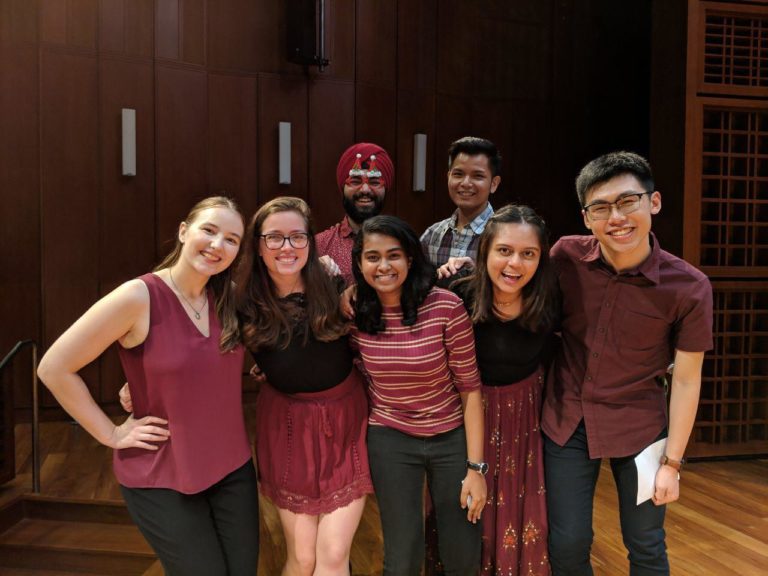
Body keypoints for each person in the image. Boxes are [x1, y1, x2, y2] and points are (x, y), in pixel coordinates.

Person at [37, 197, 260, 576]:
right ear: (184, 231)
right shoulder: (138, 296)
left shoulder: (224, 298)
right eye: (209, 230)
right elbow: (54, 367)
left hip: (232, 468)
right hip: (163, 474)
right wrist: (109, 432)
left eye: (232, 239)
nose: (218, 245)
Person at [541, 152, 713, 575]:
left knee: (646, 544)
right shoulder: (565, 257)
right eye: (601, 207)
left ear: (653, 203)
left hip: (640, 427)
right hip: (568, 421)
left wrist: (672, 463)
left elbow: (688, 380)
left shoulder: (689, 287)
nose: (616, 217)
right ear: (586, 217)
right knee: (567, 543)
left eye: (627, 202)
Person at [235, 196, 374, 576]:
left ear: (311, 243)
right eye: (274, 237)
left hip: (345, 420)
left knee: (332, 555)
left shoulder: (334, 284)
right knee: (303, 558)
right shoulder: (241, 300)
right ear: (257, 245)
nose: (287, 247)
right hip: (287, 426)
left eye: (298, 237)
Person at [349, 214, 487, 576]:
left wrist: (476, 468)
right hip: (390, 437)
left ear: (410, 259)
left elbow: (470, 389)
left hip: (450, 437)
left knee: (461, 548)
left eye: (393, 255)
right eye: (372, 257)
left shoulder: (444, 306)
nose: (383, 266)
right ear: (360, 262)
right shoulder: (355, 312)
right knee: (402, 552)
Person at [316, 142, 394, 285]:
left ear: (385, 189)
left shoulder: (402, 243)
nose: (365, 189)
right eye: (355, 181)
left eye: (375, 182)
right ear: (343, 187)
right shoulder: (318, 246)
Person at [420, 136, 501, 268]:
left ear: (493, 183)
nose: (466, 183)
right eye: (458, 174)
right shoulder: (432, 234)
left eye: (477, 176)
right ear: (448, 177)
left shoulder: (504, 234)